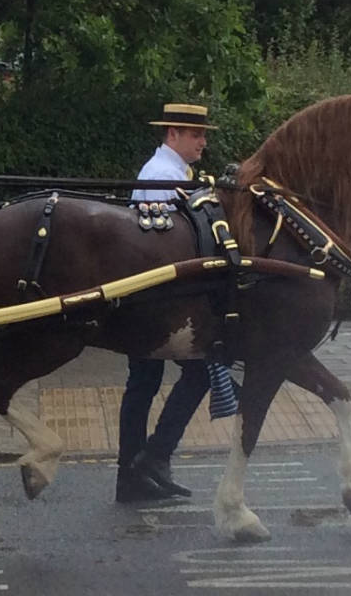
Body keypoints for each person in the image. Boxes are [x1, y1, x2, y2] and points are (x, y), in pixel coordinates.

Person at [116, 103, 220, 503]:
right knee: (198, 372)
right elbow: (161, 242)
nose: (203, 142)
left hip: (154, 294)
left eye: (203, 135)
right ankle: (152, 458)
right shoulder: (162, 176)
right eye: (196, 135)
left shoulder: (173, 172)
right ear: (173, 134)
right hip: (157, 298)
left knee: (143, 383)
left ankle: (135, 474)